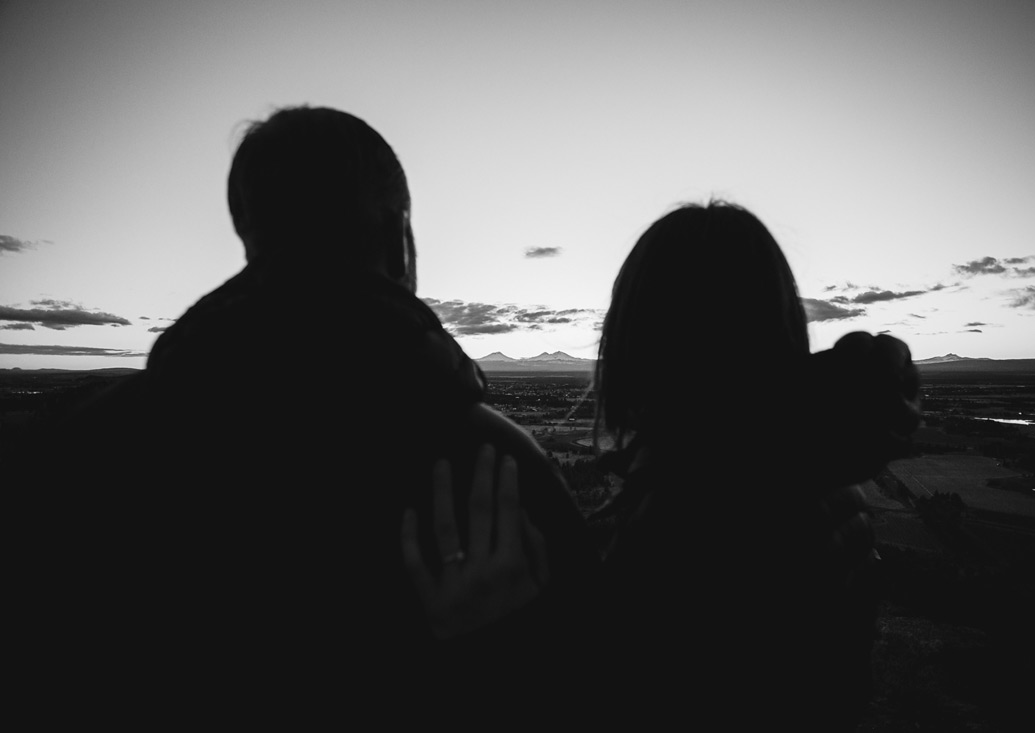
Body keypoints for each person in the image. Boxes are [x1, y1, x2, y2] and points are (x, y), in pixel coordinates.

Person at [12, 105, 598, 717]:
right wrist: (496, 658)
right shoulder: (493, 479)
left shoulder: (84, 449)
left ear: (249, 231)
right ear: (401, 237)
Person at [408, 201, 920, 727]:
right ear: (783, 332)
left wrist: (494, 640)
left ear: (637, 342)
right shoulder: (818, 480)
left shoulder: (690, 524)